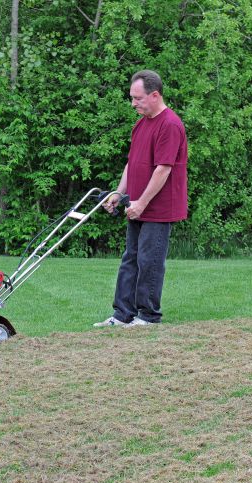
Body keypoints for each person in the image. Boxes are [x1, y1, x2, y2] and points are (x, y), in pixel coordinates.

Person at [94, 70, 188, 328]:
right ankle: (122, 314)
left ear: (155, 95)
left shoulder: (169, 124)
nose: (133, 103)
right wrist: (118, 194)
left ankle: (147, 316)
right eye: (131, 98)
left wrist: (142, 203)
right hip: (135, 204)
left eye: (137, 98)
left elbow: (163, 169)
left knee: (149, 261)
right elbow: (132, 163)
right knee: (130, 258)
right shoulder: (141, 123)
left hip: (158, 208)